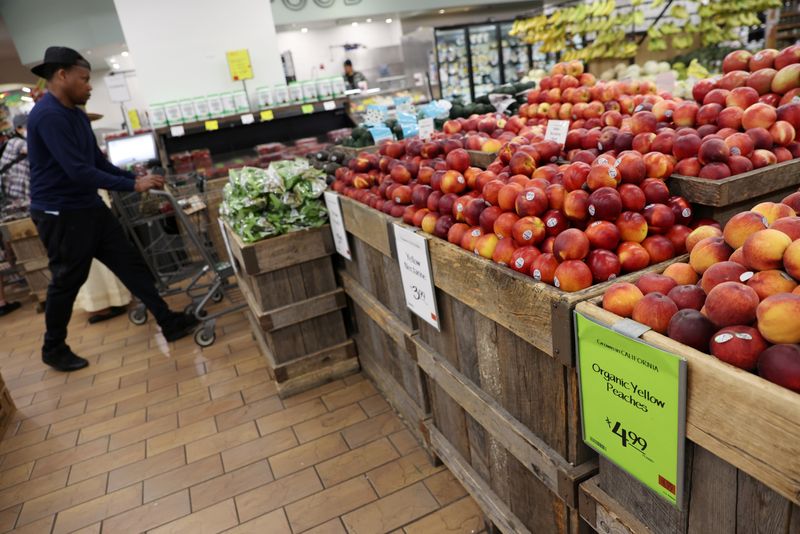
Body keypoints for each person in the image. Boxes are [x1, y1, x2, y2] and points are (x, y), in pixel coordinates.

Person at [27, 46, 198, 372]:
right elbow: (77, 170)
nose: (90, 86)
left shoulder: (75, 114)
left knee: (129, 262)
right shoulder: (48, 116)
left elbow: (95, 162)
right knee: (67, 280)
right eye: (85, 79)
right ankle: (53, 347)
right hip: (60, 213)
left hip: (87, 206)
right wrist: (133, 186)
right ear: (62, 75)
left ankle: (167, 320)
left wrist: (136, 176)